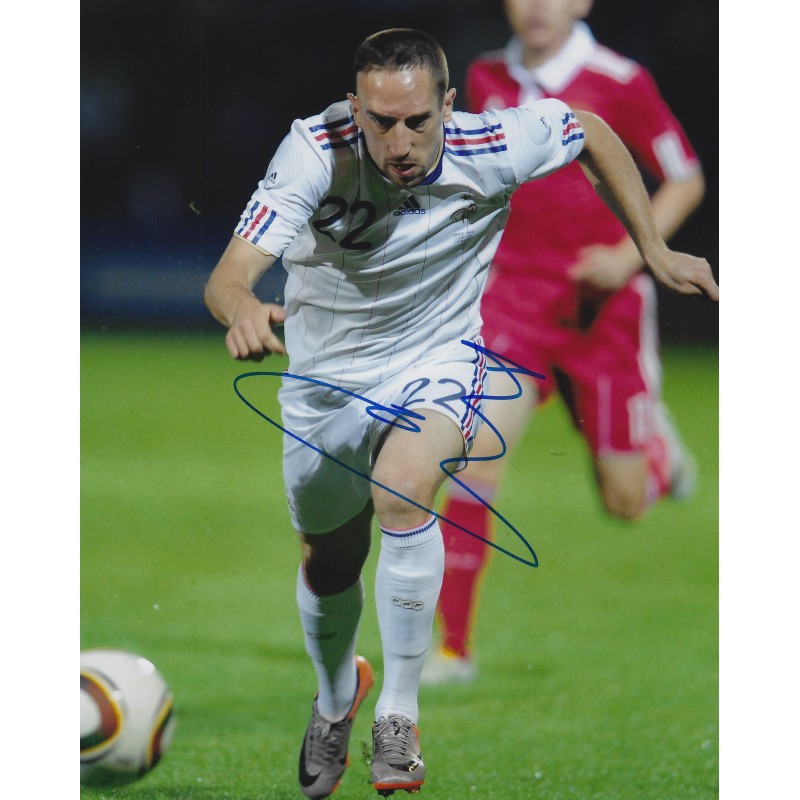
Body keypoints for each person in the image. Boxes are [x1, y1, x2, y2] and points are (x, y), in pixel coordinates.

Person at [203, 27, 717, 799]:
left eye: (418, 121)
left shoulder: (493, 141)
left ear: (449, 105)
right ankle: (336, 699)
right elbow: (228, 276)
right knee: (330, 561)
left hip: (438, 361)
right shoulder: (313, 152)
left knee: (406, 489)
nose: (400, 142)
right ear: (355, 109)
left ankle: (399, 717)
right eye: (382, 122)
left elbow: (590, 131)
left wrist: (651, 247)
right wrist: (243, 307)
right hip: (324, 382)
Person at [422, 0, 710, 687]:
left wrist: (629, 255)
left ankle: (657, 454)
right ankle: (452, 651)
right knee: (474, 459)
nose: (537, 7)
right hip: (515, 299)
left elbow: (686, 177)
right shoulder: (485, 76)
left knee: (624, 503)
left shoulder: (619, 80)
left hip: (603, 310)